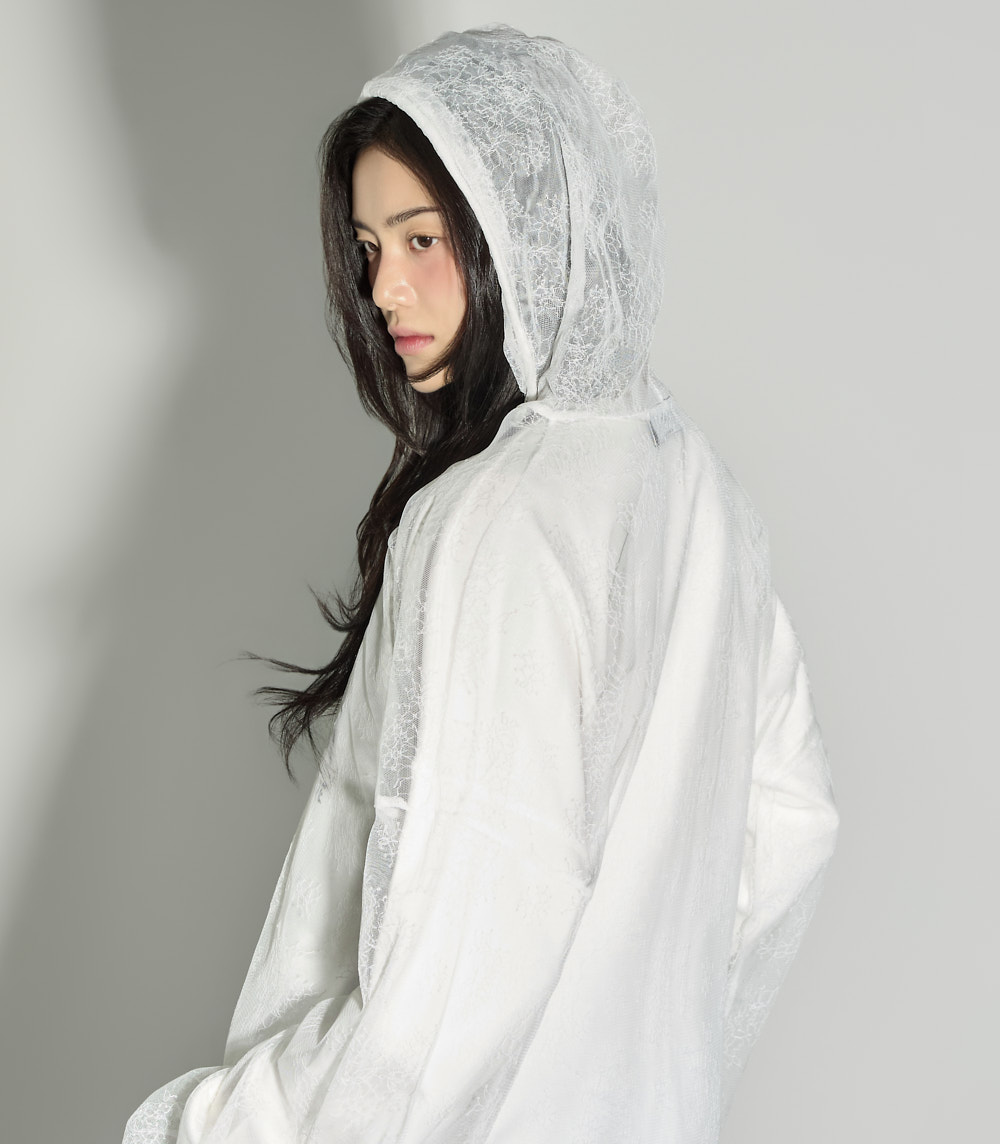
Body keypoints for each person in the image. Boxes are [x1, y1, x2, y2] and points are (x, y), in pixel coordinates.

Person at [123, 24, 839, 1144]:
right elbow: (788, 826)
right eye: (369, 246)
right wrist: (644, 1049)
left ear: (522, 231)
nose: (384, 288)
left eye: (424, 238)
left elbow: (448, 992)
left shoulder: (493, 518)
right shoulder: (697, 486)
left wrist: (200, 1128)